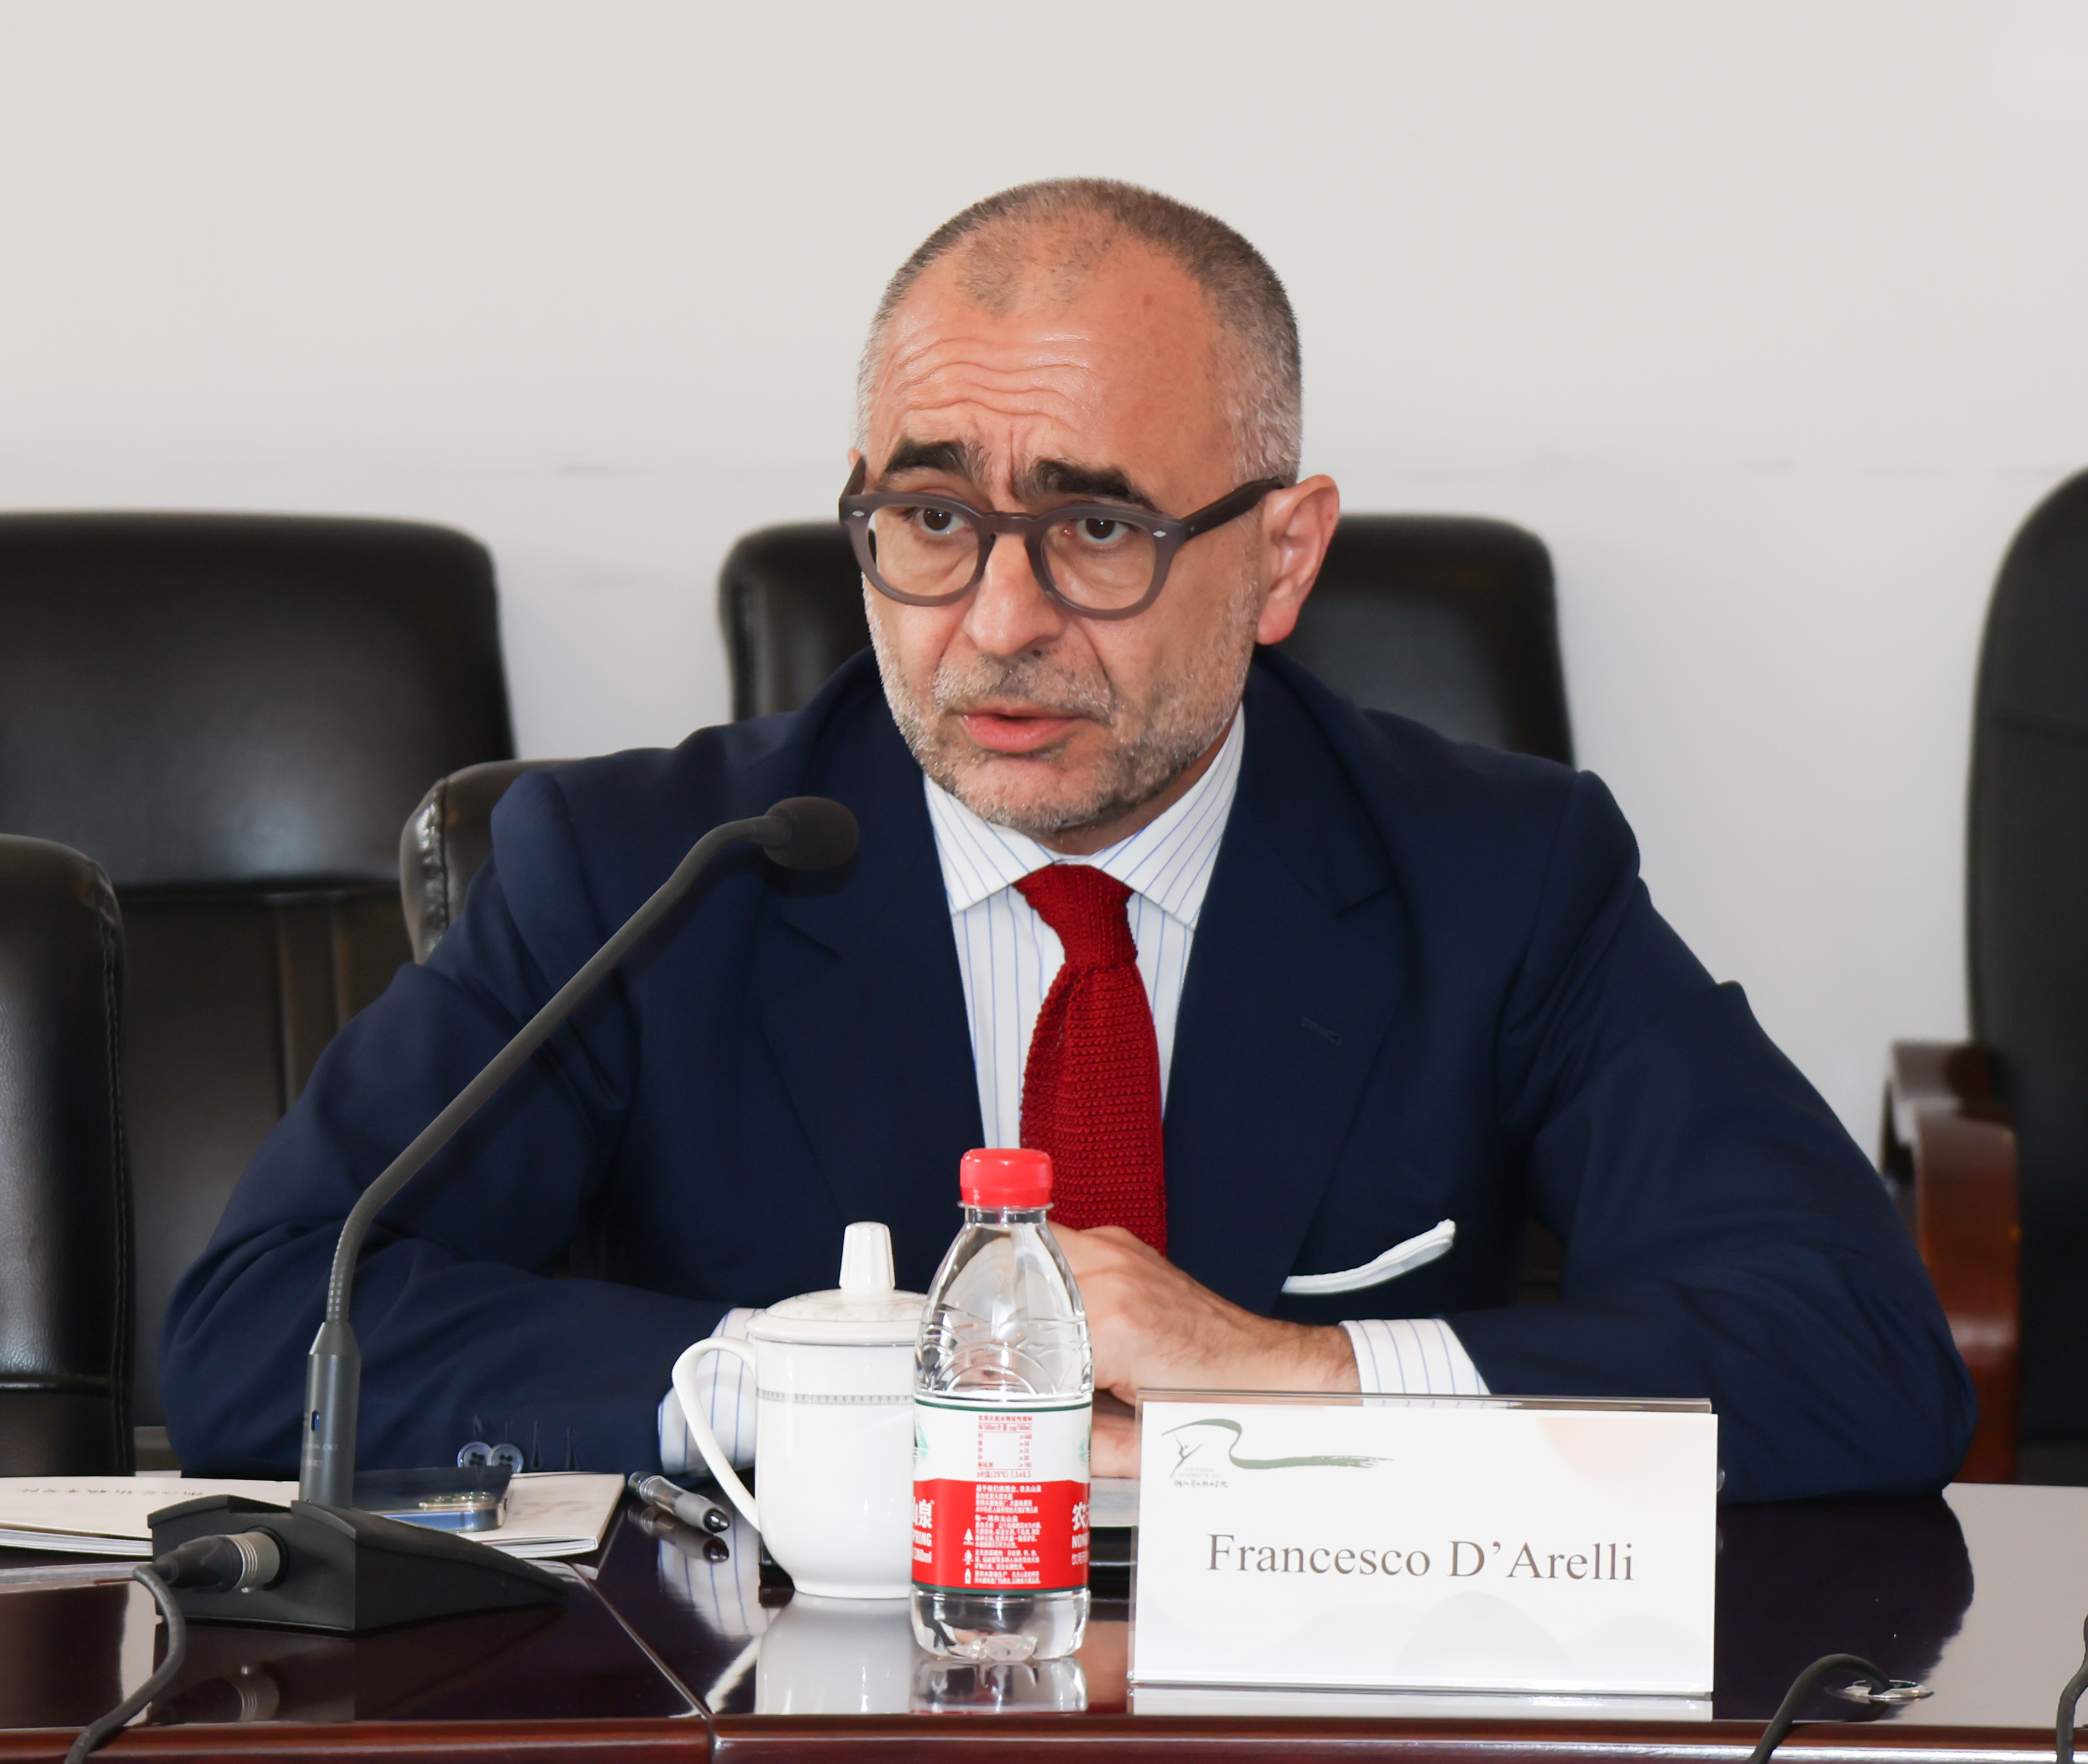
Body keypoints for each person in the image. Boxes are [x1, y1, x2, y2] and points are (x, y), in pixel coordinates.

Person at [164, 178, 1972, 1501]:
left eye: (1098, 529)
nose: (1000, 620)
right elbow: (263, 1331)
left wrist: (1286, 1375)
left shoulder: (1498, 877)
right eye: (932, 517)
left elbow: (1860, 1351)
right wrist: (814, 1383)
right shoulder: (648, 870)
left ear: (1282, 558)